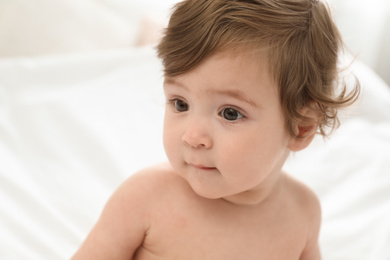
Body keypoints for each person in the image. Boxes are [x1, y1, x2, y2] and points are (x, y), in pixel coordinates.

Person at [71, 0, 360, 259]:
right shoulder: (145, 198)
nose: (192, 136)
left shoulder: (302, 213)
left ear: (301, 127)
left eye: (230, 113)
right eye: (180, 104)